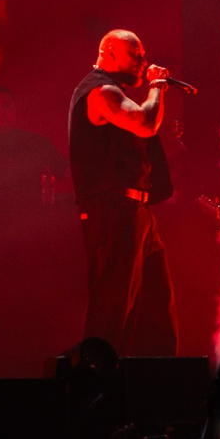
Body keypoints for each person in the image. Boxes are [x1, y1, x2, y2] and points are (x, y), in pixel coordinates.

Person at [67, 29, 177, 356]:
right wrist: (157, 87)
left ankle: (157, 385)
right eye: (136, 54)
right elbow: (144, 123)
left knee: (158, 308)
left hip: (137, 212)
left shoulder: (115, 91)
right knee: (112, 309)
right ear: (110, 51)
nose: (144, 61)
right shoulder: (101, 92)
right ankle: (95, 386)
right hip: (113, 212)